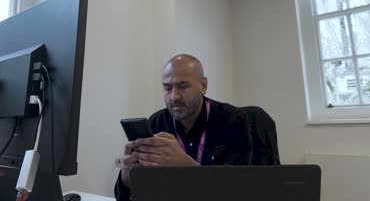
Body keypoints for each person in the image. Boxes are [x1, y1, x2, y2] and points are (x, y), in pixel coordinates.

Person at [114, 54, 279, 200]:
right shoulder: (157, 123)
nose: (174, 96)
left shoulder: (234, 120)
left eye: (183, 86)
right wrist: (127, 177)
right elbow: (125, 196)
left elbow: (239, 190)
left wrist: (187, 166)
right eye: (167, 88)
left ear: (203, 85)